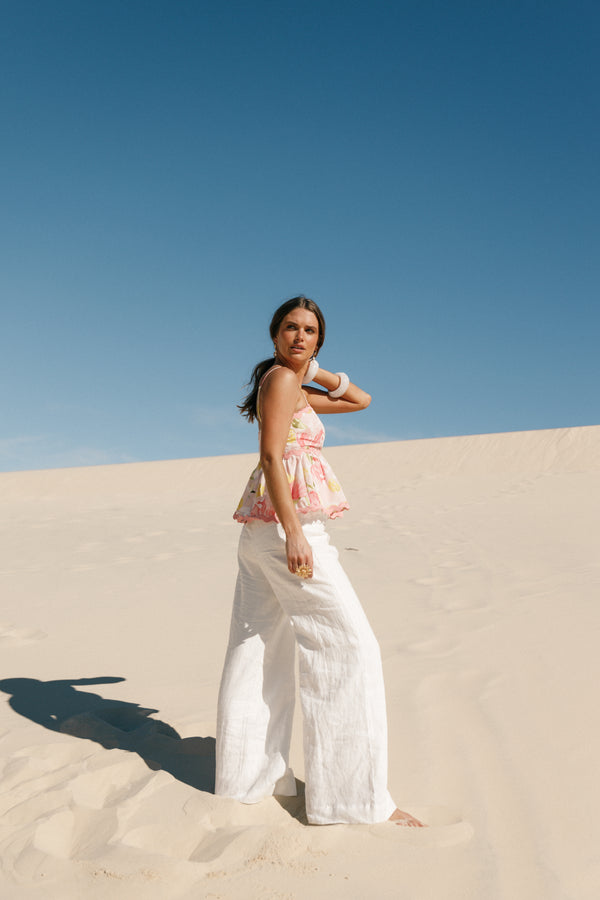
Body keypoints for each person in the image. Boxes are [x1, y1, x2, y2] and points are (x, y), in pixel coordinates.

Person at [215, 296, 423, 827]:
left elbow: (361, 400)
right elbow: (270, 455)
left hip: (259, 531)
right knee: (350, 646)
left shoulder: (294, 386)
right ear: (274, 333)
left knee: (258, 646)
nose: (299, 337)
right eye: (290, 328)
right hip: (289, 530)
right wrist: (294, 534)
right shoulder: (282, 383)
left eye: (310, 330)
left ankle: (246, 781)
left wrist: (318, 370)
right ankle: (353, 802)